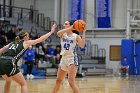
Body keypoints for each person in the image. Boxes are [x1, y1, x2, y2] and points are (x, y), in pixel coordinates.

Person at [0, 24, 57, 93]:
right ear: (25, 37)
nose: (29, 37)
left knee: (8, 81)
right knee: (23, 84)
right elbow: (41, 39)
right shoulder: (26, 42)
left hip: (1, 61)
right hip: (9, 62)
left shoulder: (12, 43)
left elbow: (1, 50)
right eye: (28, 36)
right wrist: (51, 32)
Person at [52, 20, 86, 93]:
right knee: (58, 80)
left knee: (71, 82)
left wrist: (83, 32)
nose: (64, 25)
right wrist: (71, 28)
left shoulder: (76, 36)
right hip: (63, 59)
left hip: (72, 59)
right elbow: (58, 33)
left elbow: (82, 45)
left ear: (70, 25)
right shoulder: (63, 34)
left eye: (66, 24)